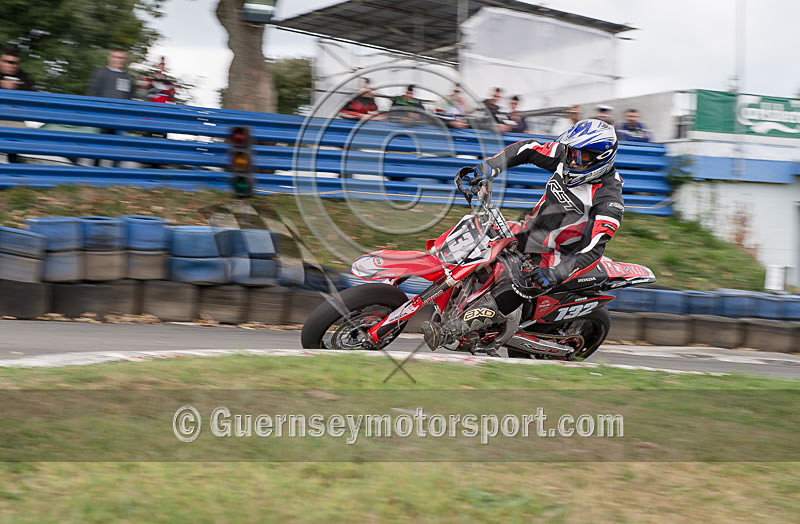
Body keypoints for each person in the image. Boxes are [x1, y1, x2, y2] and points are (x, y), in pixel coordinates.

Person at [422, 119, 624, 349]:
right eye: (570, 152)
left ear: (601, 159)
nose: (570, 159)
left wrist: (556, 273)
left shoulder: (609, 202)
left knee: (521, 284)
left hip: (559, 255)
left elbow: (594, 250)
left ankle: (452, 330)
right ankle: (438, 272)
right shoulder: (567, 157)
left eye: (580, 157)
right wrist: (488, 168)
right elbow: (526, 149)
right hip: (528, 232)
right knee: (477, 232)